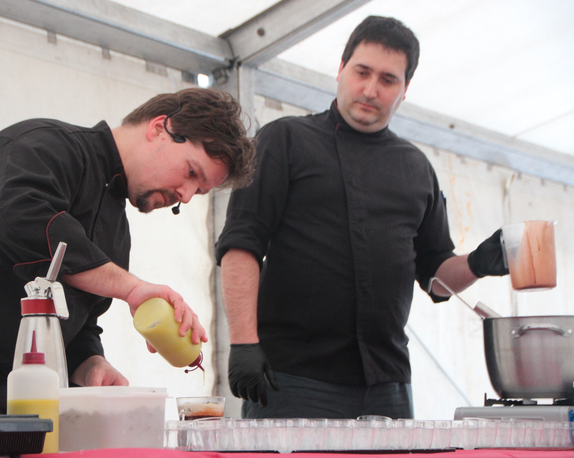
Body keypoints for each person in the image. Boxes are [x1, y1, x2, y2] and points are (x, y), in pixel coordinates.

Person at [0, 87, 256, 414]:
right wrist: (130, 288)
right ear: (160, 128)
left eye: (200, 193)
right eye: (192, 173)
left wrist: (90, 363)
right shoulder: (47, 144)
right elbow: (18, 223)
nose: (186, 196)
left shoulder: (118, 229)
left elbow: (74, 318)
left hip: (3, 406)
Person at [215, 16, 508, 420]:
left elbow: (435, 277)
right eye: (362, 72)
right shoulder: (284, 140)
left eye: (388, 79)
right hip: (292, 379)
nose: (371, 90)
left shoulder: (416, 167)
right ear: (340, 69)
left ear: (405, 90)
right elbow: (241, 245)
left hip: (387, 386)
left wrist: (478, 263)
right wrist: (244, 343)